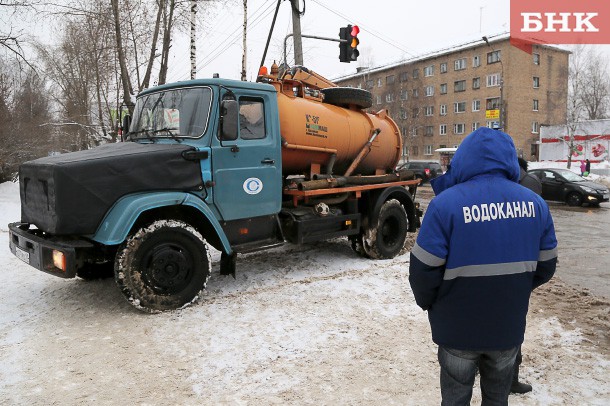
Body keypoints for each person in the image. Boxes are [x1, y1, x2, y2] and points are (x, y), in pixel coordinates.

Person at [409, 127, 558, 405]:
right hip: (506, 327)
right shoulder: (536, 204)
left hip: (456, 329)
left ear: (464, 159)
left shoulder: (444, 205)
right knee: (497, 399)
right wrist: (515, 288)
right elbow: (546, 266)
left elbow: (422, 270)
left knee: (454, 398)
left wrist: (433, 303)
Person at [511, 157, 543, 395]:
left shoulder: (527, 184)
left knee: (508, 324)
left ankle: (509, 376)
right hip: (516, 267)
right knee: (510, 324)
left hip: (514, 264)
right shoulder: (523, 181)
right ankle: (507, 376)